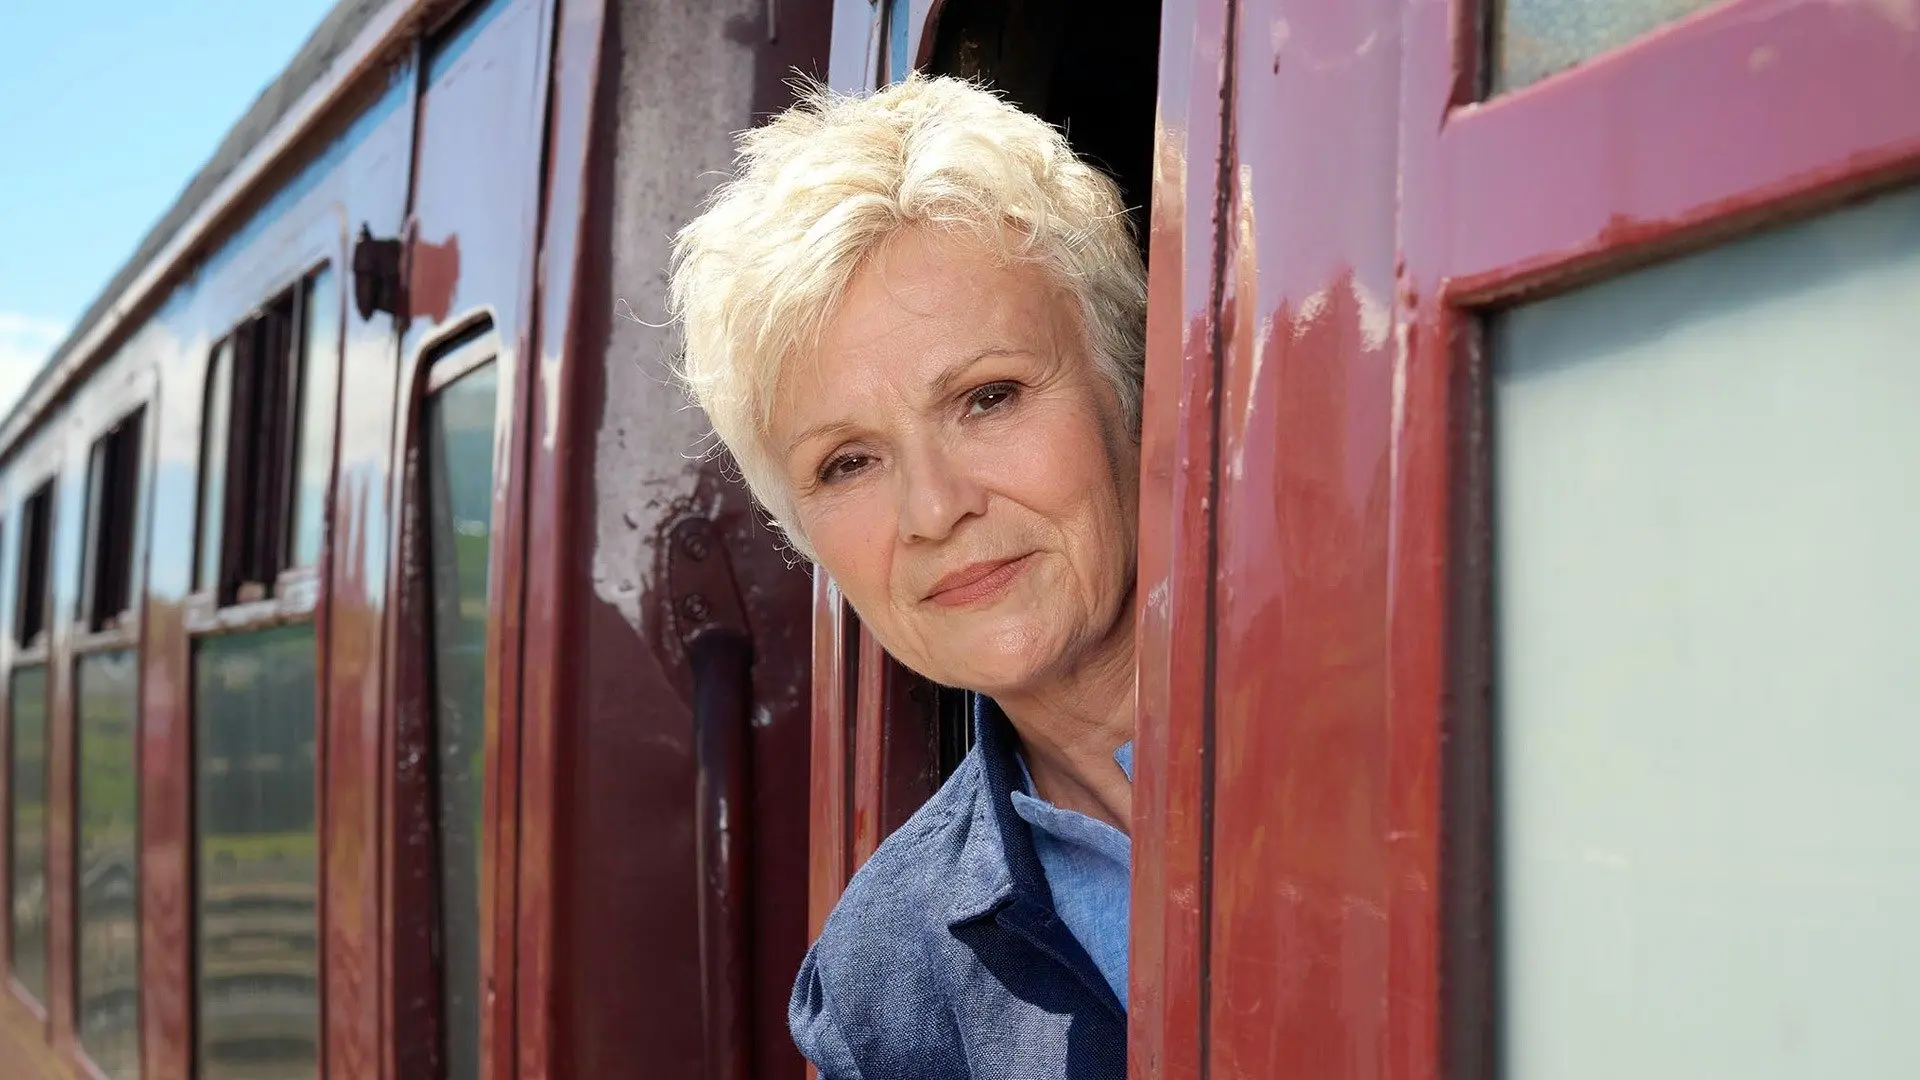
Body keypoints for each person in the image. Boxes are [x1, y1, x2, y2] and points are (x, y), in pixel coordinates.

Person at [669, 73, 1145, 1079]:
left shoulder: (1442, 715)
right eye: (848, 462)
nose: (936, 511)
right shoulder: (879, 997)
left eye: (988, 398)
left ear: (1129, 386)